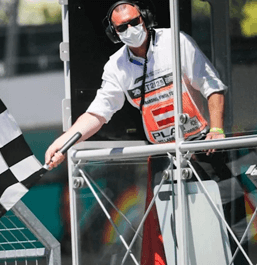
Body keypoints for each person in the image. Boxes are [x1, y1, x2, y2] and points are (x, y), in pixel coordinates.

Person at [45, 0, 248, 263]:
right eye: (123, 27)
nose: (131, 29)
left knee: (231, 222)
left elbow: (212, 85)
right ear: (114, 33)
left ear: (145, 19)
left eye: (134, 22)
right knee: (172, 231)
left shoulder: (176, 42)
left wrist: (217, 130)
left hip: (202, 147)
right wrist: (65, 142)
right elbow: (97, 114)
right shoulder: (116, 66)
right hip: (164, 157)